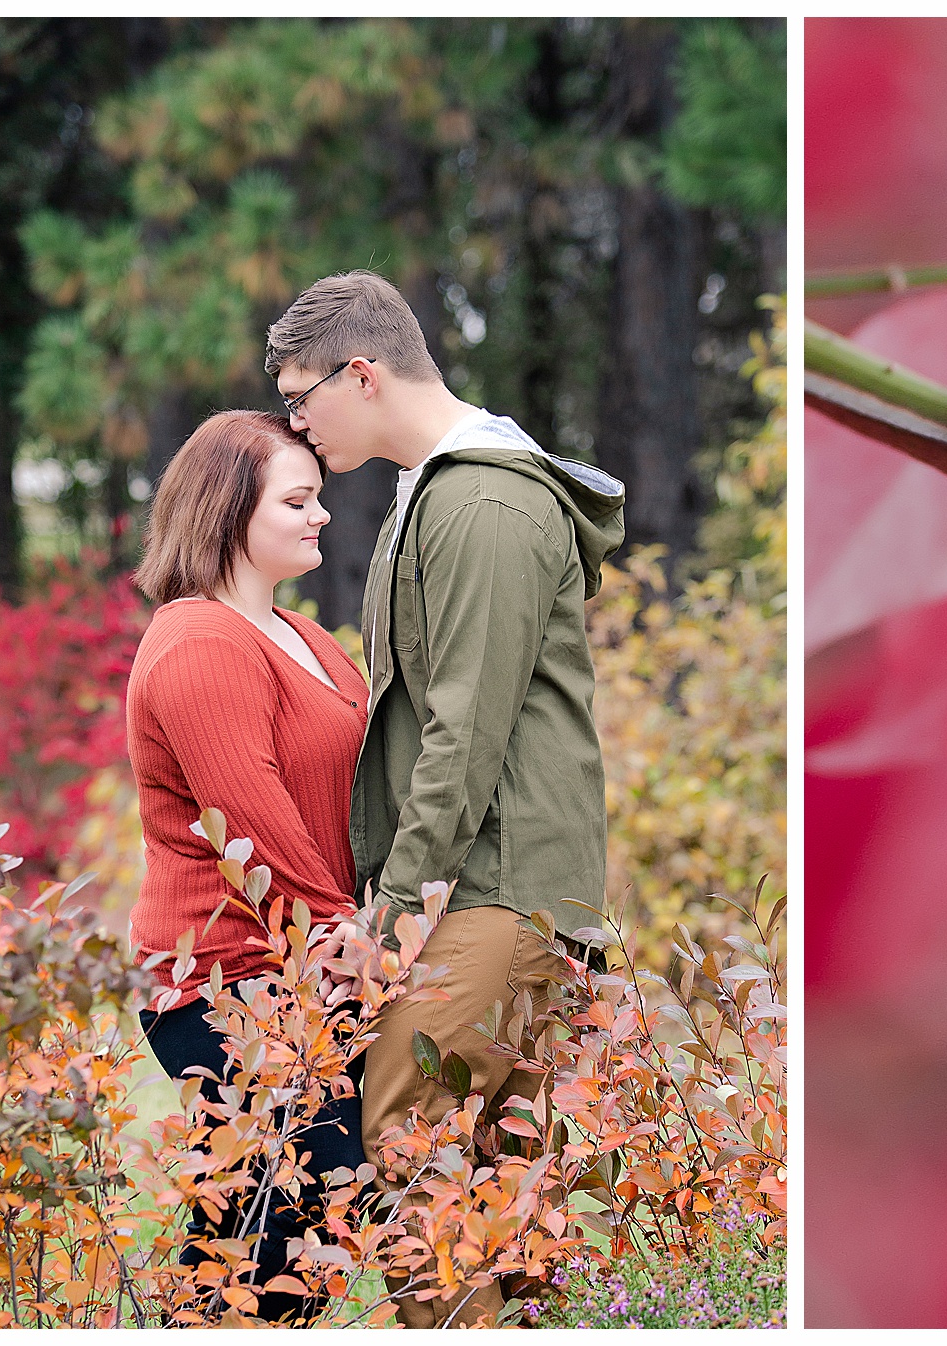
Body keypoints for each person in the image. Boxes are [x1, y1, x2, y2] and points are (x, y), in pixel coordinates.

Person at [265, 270, 625, 1328]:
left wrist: (395, 915)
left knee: (407, 1138)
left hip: (492, 888)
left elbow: (464, 730)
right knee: (504, 1199)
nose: (296, 422)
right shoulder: (441, 487)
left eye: (301, 396)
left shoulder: (481, 498)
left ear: (361, 372)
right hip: (490, 887)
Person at [127, 409, 370, 1323]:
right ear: (230, 510)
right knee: (273, 1232)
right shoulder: (198, 642)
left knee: (293, 1224)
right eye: (297, 501)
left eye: (319, 499)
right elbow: (249, 816)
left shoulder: (306, 638)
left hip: (307, 970)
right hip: (226, 981)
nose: (321, 518)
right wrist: (346, 929)